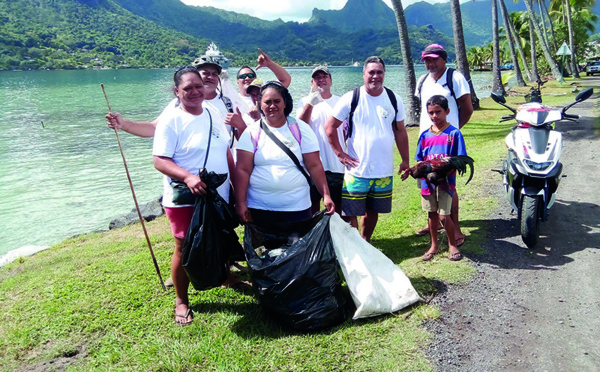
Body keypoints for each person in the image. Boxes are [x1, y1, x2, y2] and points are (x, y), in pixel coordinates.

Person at [152, 66, 246, 325]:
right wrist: (187, 177)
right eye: (187, 88)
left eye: (198, 86)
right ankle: (181, 300)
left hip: (218, 192)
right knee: (184, 247)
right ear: (176, 91)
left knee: (221, 236)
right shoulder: (171, 120)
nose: (194, 92)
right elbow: (159, 159)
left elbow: (227, 152)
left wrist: (237, 192)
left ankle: (226, 277)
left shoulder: (214, 112)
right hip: (185, 197)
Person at [324, 56, 410, 242]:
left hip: (383, 169)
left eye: (379, 72)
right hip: (357, 169)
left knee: (373, 210)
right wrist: (339, 153)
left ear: (384, 74)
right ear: (363, 74)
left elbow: (401, 132)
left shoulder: (394, 99)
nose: (375, 76)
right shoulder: (351, 98)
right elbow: (329, 127)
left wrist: (405, 160)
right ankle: (354, 245)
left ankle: (365, 241)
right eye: (371, 72)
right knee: (350, 212)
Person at [235, 81, 334, 228]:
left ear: (285, 103)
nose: (272, 106)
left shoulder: (301, 130)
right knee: (263, 250)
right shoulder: (251, 132)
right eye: (267, 102)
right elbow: (243, 170)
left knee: (297, 249)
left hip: (297, 206)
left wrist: (326, 195)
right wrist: (241, 202)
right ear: (260, 105)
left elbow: (314, 165)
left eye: (277, 101)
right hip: (260, 207)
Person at [106, 57, 247, 145]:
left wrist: (241, 126)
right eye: (205, 73)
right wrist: (123, 124)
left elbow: (243, 141)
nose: (210, 77)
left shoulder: (228, 104)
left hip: (224, 171)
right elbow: (154, 128)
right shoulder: (179, 104)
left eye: (214, 74)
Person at [415, 44, 474, 246]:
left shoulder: (454, 78)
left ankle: (454, 227)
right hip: (427, 141)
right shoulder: (422, 80)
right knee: (427, 183)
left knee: (448, 186)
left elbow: (467, 108)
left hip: (446, 144)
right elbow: (424, 111)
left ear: (443, 59)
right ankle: (434, 223)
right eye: (426, 60)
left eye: (434, 59)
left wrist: (452, 132)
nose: (430, 63)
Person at [404, 95, 467, 261]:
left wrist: (443, 171)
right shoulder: (425, 136)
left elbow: (460, 158)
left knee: (444, 215)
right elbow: (420, 158)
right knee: (431, 214)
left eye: (438, 112)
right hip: (427, 182)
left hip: (446, 182)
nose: (434, 116)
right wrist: (416, 169)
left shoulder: (454, 133)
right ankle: (434, 245)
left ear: (447, 111)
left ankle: (452, 244)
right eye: (430, 112)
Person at [297, 66, 344, 214]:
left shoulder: (341, 101)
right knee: (312, 205)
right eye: (317, 77)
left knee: (340, 206)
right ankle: (315, 235)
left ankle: (341, 235)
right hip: (313, 164)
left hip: (337, 163)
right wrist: (310, 103)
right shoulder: (304, 102)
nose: (321, 80)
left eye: (324, 76)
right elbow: (299, 127)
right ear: (312, 82)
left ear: (330, 80)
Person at [236, 48, 291, 120]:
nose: (247, 78)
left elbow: (285, 80)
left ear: (255, 79)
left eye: (250, 76)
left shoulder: (267, 92)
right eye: (243, 76)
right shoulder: (232, 99)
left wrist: (270, 64)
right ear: (237, 82)